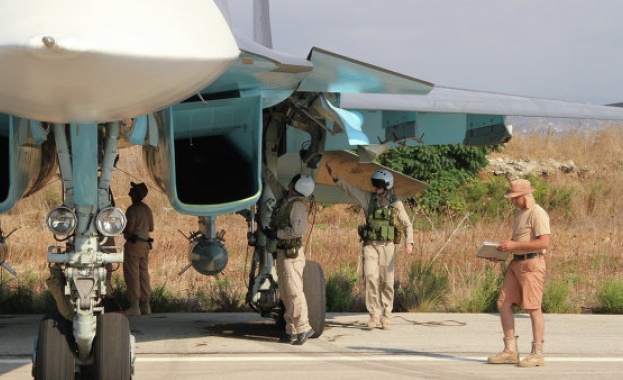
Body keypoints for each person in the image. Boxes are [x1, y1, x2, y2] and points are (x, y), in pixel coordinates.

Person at [325, 163, 414, 330]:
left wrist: (409, 242)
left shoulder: (395, 203)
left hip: (387, 246)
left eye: (379, 185)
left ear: (386, 186)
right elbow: (351, 189)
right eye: (374, 184)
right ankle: (373, 315)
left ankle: (386, 317)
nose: (375, 187)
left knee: (387, 282)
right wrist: (336, 177)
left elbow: (407, 224)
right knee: (371, 278)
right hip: (370, 245)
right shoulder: (368, 198)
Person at [487, 178, 550, 367]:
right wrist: (502, 253)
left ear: (525, 195)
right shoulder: (519, 214)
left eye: (515, 197)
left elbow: (544, 243)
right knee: (503, 303)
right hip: (516, 263)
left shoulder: (537, 213)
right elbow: (518, 242)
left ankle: (537, 353)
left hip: (532, 265)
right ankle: (510, 350)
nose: (512, 201)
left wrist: (516, 245)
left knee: (533, 308)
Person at [263, 169, 315, 345]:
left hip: (291, 256)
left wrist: (275, 233)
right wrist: (264, 168)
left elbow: (296, 231)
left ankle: (304, 327)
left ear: (297, 186)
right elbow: (275, 184)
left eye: (293, 181)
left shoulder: (297, 206)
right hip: (283, 254)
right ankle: (291, 330)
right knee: (285, 294)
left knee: (294, 292)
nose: (289, 183)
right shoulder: (286, 200)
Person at [123, 182, 154, 317]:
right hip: (145, 244)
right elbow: (151, 227)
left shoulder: (132, 209)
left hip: (134, 244)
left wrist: (120, 228)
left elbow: (129, 229)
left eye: (133, 189)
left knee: (132, 274)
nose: (130, 190)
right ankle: (145, 306)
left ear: (136, 194)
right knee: (143, 274)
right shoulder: (147, 209)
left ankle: (134, 306)